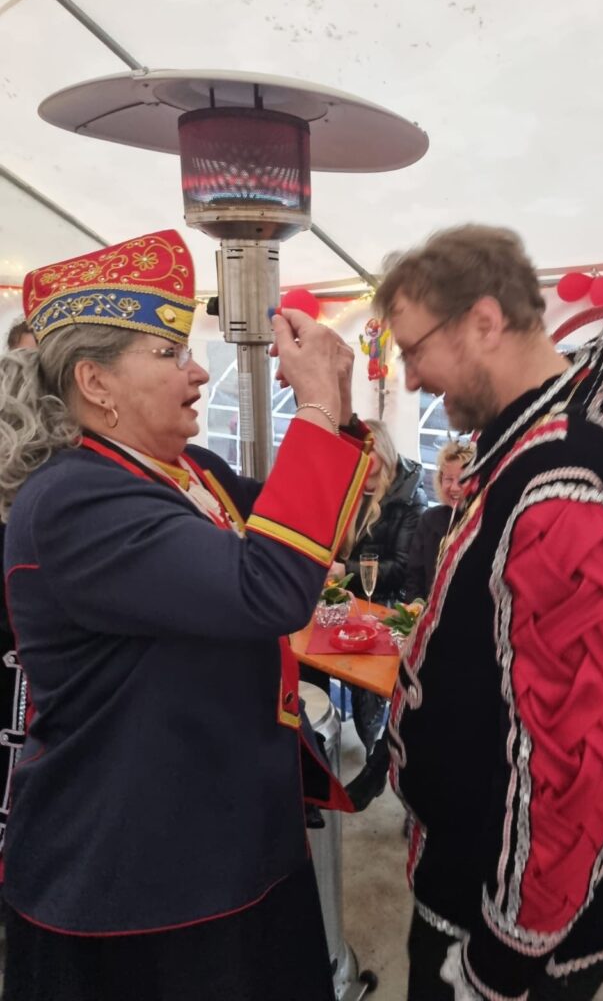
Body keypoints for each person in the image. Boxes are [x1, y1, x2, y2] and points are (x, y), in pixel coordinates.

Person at [376, 225, 603, 1001]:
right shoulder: (574, 417)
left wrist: (507, 953)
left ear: (484, 321)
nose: (410, 378)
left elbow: (572, 771)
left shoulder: (563, 479)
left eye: (415, 350)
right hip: (490, 856)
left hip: (512, 904)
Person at [0, 229, 372, 1001]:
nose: (198, 370)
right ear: (95, 380)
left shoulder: (181, 471)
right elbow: (270, 586)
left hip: (219, 829)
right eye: (170, 355)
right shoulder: (74, 501)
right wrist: (311, 408)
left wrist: (333, 415)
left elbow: (300, 536)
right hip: (143, 876)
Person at [328, 418, 426, 753]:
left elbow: (401, 569)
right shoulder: (348, 484)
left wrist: (345, 570)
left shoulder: (410, 497)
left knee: (364, 679)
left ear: (380, 450)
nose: (358, 459)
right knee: (307, 651)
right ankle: (314, 739)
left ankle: (373, 751)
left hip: (385, 599)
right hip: (346, 593)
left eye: (364, 452)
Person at [404, 439, 475, 601]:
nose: (455, 487)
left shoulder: (482, 522)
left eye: (463, 480)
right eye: (449, 479)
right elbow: (414, 577)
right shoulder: (429, 519)